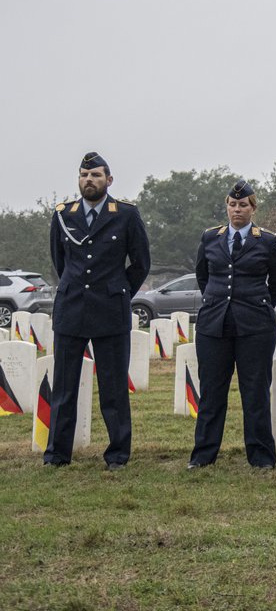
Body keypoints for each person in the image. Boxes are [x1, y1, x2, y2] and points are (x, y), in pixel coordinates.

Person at [44, 152, 151, 470]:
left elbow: (141, 263)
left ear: (109, 180)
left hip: (110, 311)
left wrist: (117, 291)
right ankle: (57, 454)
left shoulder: (126, 215)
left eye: (95, 175)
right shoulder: (64, 214)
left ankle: (117, 454)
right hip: (71, 309)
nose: (88, 180)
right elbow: (60, 262)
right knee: (63, 388)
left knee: (113, 387)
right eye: (83, 175)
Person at [188, 180, 276, 470]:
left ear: (253, 208)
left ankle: (260, 457)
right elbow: (203, 276)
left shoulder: (267, 240)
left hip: (254, 327)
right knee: (211, 392)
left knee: (255, 392)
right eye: (232, 204)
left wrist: (260, 303)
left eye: (243, 205)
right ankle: (203, 455)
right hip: (214, 325)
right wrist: (216, 301)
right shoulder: (210, 238)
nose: (237, 210)